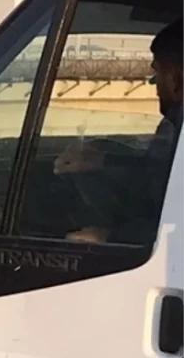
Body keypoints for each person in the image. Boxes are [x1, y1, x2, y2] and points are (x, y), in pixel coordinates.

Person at [53, 14, 184, 244]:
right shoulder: (175, 125)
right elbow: (162, 174)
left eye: (157, 75)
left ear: (175, 77)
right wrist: (101, 160)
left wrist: (110, 238)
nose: (155, 87)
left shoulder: (176, 123)